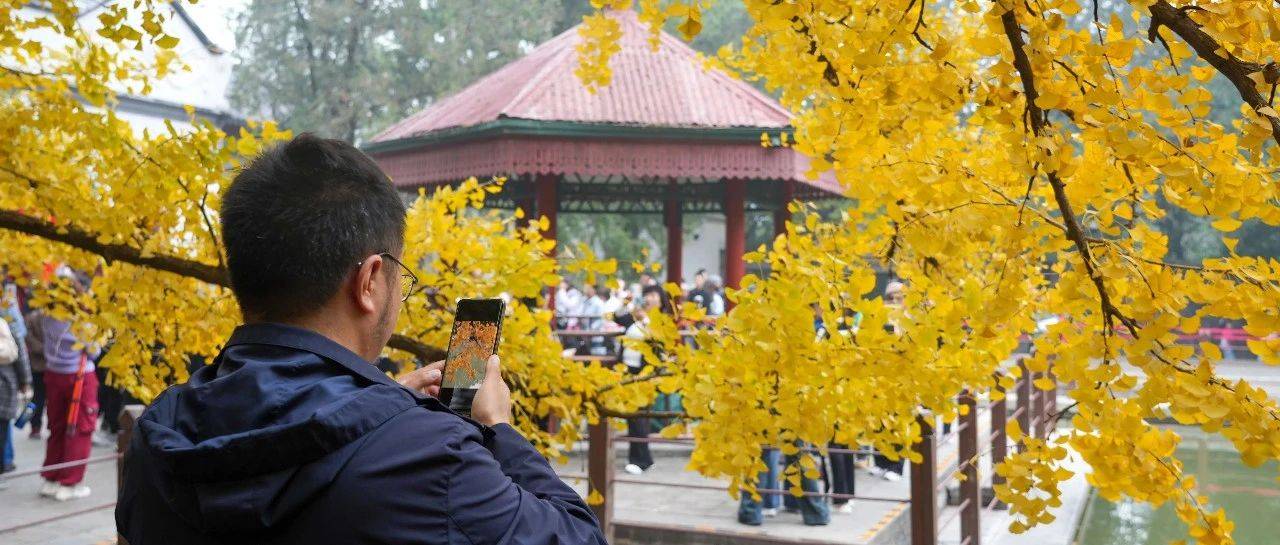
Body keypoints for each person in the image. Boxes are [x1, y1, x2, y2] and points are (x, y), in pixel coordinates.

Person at [116, 134, 606, 545]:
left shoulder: (158, 433)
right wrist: (500, 428)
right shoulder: (430, 458)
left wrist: (386, 406)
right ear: (370, 280)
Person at [37, 268, 100, 501]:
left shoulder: (46, 314)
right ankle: (70, 482)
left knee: (57, 426)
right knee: (79, 427)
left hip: (53, 374)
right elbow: (94, 350)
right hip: (79, 378)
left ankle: (51, 477)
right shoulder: (80, 318)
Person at [617, 284, 672, 475]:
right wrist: (625, 303)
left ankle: (640, 461)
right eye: (647, 294)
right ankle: (644, 458)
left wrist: (646, 320)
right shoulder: (637, 316)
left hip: (644, 373)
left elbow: (659, 343)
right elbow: (618, 317)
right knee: (634, 417)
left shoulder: (661, 321)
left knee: (637, 417)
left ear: (661, 299)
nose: (649, 298)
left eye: (654, 295)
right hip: (628, 371)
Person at [871, 281, 907, 482]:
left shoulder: (908, 318)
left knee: (898, 422)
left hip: (900, 376)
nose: (893, 300)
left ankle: (896, 466)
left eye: (898, 297)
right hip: (880, 374)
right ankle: (879, 462)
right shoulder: (880, 315)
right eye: (890, 296)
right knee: (879, 420)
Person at [0, 311, 32, 481]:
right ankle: (4, 464)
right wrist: (25, 381)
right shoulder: (8, 318)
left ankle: (5, 462)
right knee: (2, 429)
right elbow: (21, 356)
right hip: (5, 382)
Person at [23, 307, 47, 439]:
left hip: (39, 364)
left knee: (38, 397)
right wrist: (47, 350)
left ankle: (35, 426)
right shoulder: (34, 317)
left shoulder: (31, 317)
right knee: (39, 397)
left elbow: (28, 338)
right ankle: (35, 425)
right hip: (45, 365)